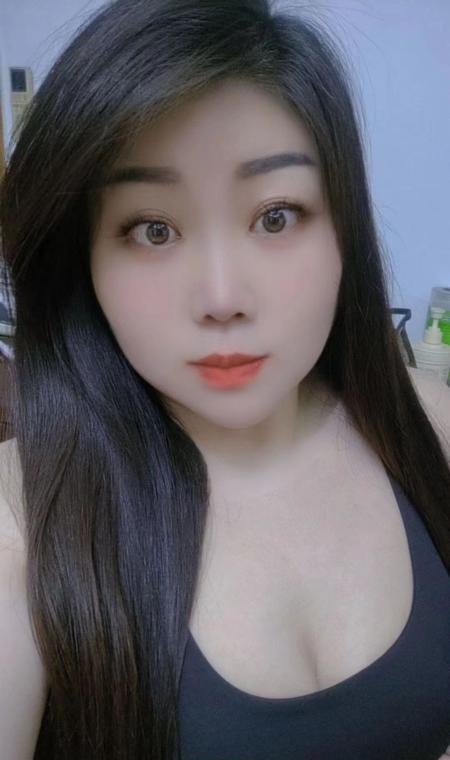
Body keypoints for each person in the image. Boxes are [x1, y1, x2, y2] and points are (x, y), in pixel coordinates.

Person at [0, 1, 449, 758]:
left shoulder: (433, 427)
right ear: (83, 261)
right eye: (153, 229)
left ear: (343, 227)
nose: (221, 298)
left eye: (276, 216)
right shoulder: (21, 523)